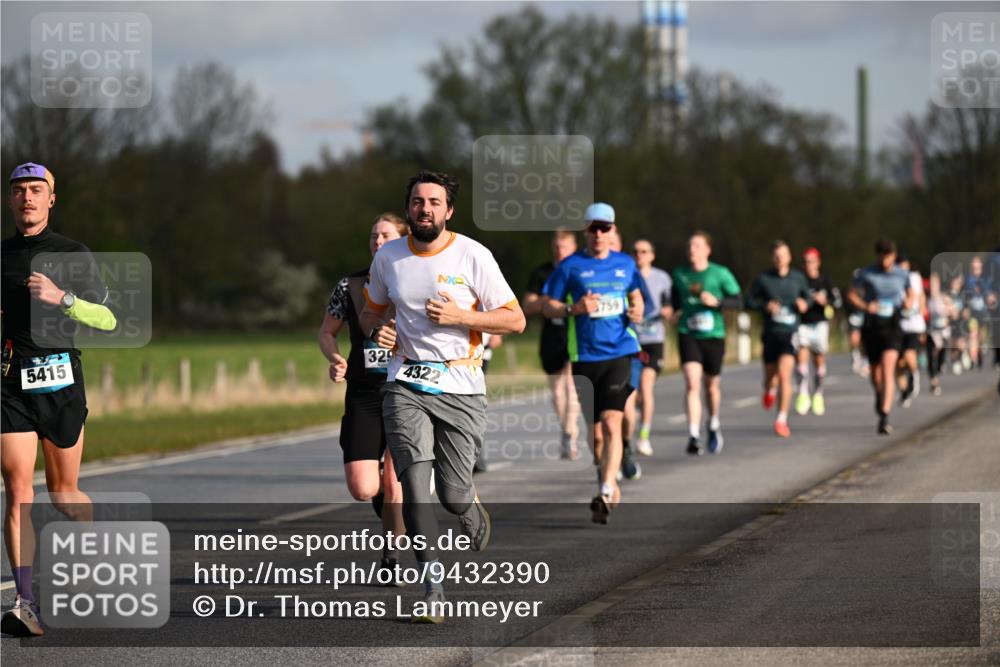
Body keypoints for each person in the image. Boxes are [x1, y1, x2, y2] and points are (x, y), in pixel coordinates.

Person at [359, 170, 525, 623]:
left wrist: (460, 316)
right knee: (412, 485)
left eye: (434, 202)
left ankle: (468, 507)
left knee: (450, 493)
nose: (424, 209)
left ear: (449, 211)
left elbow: (515, 321)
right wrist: (381, 329)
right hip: (405, 383)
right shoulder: (389, 257)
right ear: (408, 207)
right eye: (417, 201)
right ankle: (432, 586)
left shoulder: (473, 255)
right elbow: (370, 310)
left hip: (461, 385)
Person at [2, 163, 117, 637]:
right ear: (11, 200)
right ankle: (25, 603)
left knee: (64, 496)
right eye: (18, 191)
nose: (26, 198)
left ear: (52, 198)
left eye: (35, 190)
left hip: (61, 383)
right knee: (18, 491)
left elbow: (108, 320)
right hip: (11, 385)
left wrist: (63, 298)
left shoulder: (74, 254)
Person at [541, 203, 644, 523]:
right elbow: (548, 306)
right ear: (586, 230)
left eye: (604, 228)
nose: (598, 234)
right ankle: (606, 472)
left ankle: (605, 487)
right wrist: (575, 309)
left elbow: (636, 296)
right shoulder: (570, 266)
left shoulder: (625, 264)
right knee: (596, 434)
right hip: (584, 357)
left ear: (612, 231)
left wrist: (637, 309)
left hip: (619, 353)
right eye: (593, 228)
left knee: (613, 422)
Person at [318, 213, 407, 582]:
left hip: (405, 391)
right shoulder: (351, 285)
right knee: (364, 486)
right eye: (373, 236)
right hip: (363, 394)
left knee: (394, 481)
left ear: (401, 240)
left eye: (386, 236)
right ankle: (391, 510)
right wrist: (335, 358)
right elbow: (327, 332)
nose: (377, 242)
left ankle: (394, 552)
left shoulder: (414, 281)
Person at [670, 232, 742, 455]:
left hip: (713, 335)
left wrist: (717, 301)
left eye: (697, 245)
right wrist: (673, 311)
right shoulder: (680, 274)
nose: (692, 249)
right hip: (688, 333)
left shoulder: (720, 273)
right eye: (690, 245)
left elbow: (739, 300)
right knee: (692, 383)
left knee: (711, 386)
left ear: (707, 250)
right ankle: (693, 434)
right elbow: (674, 298)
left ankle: (713, 424)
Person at [522, 229, 581, 460]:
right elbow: (527, 305)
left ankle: (569, 434)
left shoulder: (580, 270)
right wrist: (547, 302)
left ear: (574, 247)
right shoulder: (542, 273)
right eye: (557, 246)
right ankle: (567, 430)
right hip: (551, 335)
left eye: (565, 246)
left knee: (571, 387)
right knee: (557, 391)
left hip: (576, 333)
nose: (560, 250)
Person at [847, 238, 914, 435]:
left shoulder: (902, 274)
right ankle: (879, 393)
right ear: (877, 256)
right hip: (872, 326)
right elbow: (851, 294)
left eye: (889, 257)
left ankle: (884, 417)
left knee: (888, 368)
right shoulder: (866, 273)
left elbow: (911, 294)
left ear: (894, 256)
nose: (886, 261)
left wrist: (908, 303)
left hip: (892, 325)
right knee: (876, 374)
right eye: (882, 257)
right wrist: (866, 306)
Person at [747, 241, 811, 438]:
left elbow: (807, 298)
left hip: (789, 333)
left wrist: (803, 304)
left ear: (789, 257)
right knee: (770, 376)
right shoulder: (764, 279)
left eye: (783, 255)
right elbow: (748, 300)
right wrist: (765, 305)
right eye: (776, 255)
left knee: (785, 374)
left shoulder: (798, 278)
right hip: (770, 333)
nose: (779, 259)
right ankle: (769, 390)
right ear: (772, 258)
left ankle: (781, 419)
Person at [630, 239, 673, 455]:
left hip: (654, 339)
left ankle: (644, 436)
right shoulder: (626, 274)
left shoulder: (662, 278)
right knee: (633, 391)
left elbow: (671, 305)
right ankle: (636, 414)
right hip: (631, 340)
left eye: (644, 251)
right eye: (636, 252)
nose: (640, 255)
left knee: (646, 387)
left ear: (652, 255)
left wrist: (669, 311)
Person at [794, 248, 840, 417]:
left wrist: (825, 300)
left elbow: (837, 300)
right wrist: (798, 302)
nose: (808, 265)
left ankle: (818, 394)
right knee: (801, 357)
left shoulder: (825, 279)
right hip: (802, 324)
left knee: (819, 360)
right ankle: (803, 393)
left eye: (811, 261)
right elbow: (791, 296)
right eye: (805, 261)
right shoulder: (799, 279)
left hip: (820, 324)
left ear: (818, 262)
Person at [895, 255, 927, 407]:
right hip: (897, 325)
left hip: (913, 324)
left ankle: (914, 375)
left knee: (909, 354)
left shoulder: (914, 277)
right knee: (897, 363)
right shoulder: (892, 277)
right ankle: (904, 392)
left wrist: (921, 311)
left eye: (904, 265)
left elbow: (920, 295)